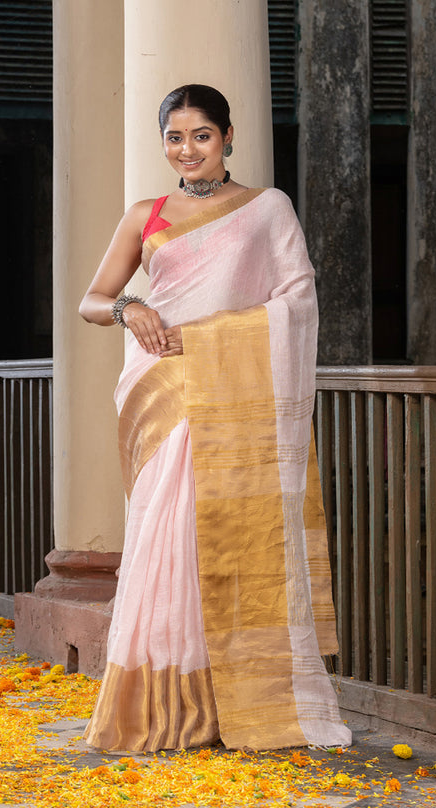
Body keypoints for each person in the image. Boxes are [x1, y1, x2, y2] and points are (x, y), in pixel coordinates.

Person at [79, 84, 352, 752]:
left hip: (231, 391)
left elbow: (296, 298)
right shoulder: (145, 213)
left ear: (229, 137)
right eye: (175, 137)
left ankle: (232, 699)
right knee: (163, 540)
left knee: (224, 531)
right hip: (160, 391)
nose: (188, 149)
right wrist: (130, 309)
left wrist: (210, 335)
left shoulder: (265, 209)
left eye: (202, 135)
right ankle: (163, 699)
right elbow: (92, 299)